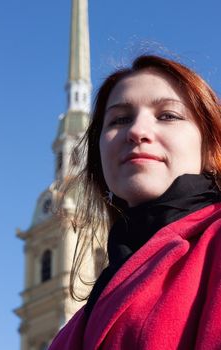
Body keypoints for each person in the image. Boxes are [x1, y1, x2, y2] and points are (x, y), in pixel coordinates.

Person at [49, 55, 221, 349]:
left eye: (168, 115)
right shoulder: (74, 328)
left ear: (209, 148)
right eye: (119, 119)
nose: (136, 131)